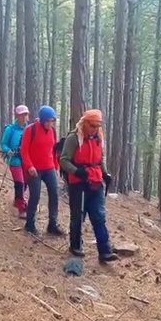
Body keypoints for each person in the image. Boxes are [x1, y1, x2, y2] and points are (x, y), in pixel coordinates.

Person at [59, 109, 118, 263]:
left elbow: (100, 158)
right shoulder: (73, 138)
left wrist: (105, 174)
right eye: (92, 125)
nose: (95, 128)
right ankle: (75, 245)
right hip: (78, 183)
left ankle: (105, 251)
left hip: (96, 180)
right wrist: (77, 171)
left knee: (99, 216)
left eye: (98, 125)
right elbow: (63, 160)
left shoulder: (98, 136)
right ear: (85, 123)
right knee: (78, 215)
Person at [21, 106, 64, 237]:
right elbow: (24, 150)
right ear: (42, 120)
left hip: (49, 167)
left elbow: (54, 150)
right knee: (35, 195)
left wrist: (56, 166)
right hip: (33, 169)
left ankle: (52, 224)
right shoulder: (30, 130)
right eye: (47, 121)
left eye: (52, 121)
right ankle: (30, 224)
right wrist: (29, 166)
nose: (50, 124)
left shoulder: (53, 131)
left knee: (54, 193)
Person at [0, 106, 30, 218]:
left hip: (26, 159)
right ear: (17, 116)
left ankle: (18, 199)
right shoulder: (10, 129)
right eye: (22, 115)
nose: (24, 117)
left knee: (25, 182)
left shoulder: (30, 129)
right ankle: (22, 208)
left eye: (26, 114)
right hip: (15, 159)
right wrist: (8, 151)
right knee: (19, 183)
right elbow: (3, 143)